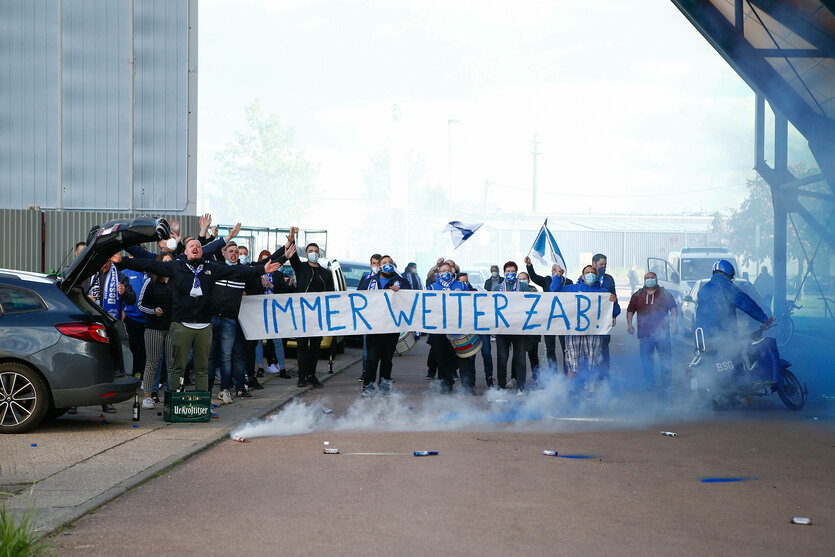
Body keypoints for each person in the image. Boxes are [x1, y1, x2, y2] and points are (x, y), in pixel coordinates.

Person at [118, 238, 282, 402]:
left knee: (202, 368)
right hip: (181, 324)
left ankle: (201, 404)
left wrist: (261, 269)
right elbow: (148, 264)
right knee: (177, 367)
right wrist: (124, 261)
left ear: (202, 251)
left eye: (198, 246)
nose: (195, 247)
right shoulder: (175, 266)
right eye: (191, 246)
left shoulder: (210, 268)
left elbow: (236, 271)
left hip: (204, 325)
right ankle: (174, 403)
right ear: (186, 251)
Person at [695, 260, 778, 383]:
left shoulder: (703, 289)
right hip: (723, 335)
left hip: (702, 338)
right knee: (739, 354)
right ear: (729, 273)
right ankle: (741, 386)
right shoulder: (727, 287)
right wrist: (764, 319)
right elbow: (747, 304)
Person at [79, 253, 136, 414]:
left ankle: (106, 401)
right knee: (84, 360)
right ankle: (75, 403)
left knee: (108, 363)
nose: (103, 264)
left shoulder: (120, 276)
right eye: (101, 261)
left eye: (106, 261)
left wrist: (124, 292)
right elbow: (73, 294)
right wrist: (85, 297)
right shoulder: (87, 276)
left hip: (109, 327)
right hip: (89, 324)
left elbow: (132, 299)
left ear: (110, 260)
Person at [553, 265, 620, 392]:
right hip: (573, 332)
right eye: (587, 273)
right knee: (572, 363)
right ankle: (572, 390)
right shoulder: (573, 289)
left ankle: (591, 389)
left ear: (596, 276)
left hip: (593, 333)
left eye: (592, 273)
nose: (590, 274)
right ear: (583, 276)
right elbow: (554, 291)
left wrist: (614, 301)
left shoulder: (604, 292)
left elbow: (614, 312)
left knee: (592, 362)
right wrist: (558, 276)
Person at [286, 227, 334, 388]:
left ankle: (311, 374)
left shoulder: (326, 273)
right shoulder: (301, 268)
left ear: (319, 254)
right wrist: (291, 240)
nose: (313, 253)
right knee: (301, 345)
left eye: (315, 251)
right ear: (306, 254)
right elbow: (292, 258)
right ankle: (301, 376)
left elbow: (331, 294)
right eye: (310, 251)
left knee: (315, 346)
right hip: (302, 313)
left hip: (318, 315)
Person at [206, 241, 251, 404]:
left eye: (236, 252)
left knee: (226, 357)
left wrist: (286, 248)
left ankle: (224, 389)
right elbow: (202, 253)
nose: (234, 254)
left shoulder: (241, 272)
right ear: (223, 253)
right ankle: (207, 390)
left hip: (229, 321)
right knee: (209, 356)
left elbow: (262, 266)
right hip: (212, 318)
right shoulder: (216, 269)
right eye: (230, 251)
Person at [358, 255, 408, 397]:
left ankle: (384, 388)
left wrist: (401, 292)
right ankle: (367, 387)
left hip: (392, 327)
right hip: (374, 326)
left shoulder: (401, 282)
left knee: (387, 358)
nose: (387, 265)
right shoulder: (369, 282)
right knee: (372, 358)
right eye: (384, 263)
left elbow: (411, 297)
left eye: (390, 263)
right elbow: (358, 299)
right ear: (379, 267)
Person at [426, 262, 475, 394]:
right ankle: (446, 385)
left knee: (464, 358)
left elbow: (471, 303)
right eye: (443, 271)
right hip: (440, 330)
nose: (446, 272)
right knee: (442, 359)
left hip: (459, 329)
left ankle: (468, 386)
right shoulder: (432, 287)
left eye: (448, 270)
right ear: (439, 273)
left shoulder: (462, 285)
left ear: (453, 272)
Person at [626, 271, 678, 390]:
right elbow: (630, 311)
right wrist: (630, 325)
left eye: (652, 277)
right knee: (646, 360)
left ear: (656, 279)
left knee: (665, 359)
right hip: (645, 335)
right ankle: (650, 383)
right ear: (644, 280)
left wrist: (675, 324)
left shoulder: (665, 294)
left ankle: (667, 383)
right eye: (647, 278)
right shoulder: (638, 295)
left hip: (663, 335)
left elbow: (673, 308)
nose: (650, 279)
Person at [136, 253, 174, 409]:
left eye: (170, 263)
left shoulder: (176, 283)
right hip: (153, 328)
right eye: (164, 262)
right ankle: (147, 396)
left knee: (172, 364)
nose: (167, 266)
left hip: (172, 327)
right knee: (152, 362)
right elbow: (140, 304)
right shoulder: (149, 283)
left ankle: (172, 396)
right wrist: (153, 311)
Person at [525, 256, 572, 375]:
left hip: (563, 320)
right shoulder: (547, 280)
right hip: (549, 320)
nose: (556, 272)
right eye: (554, 270)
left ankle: (568, 374)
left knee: (566, 349)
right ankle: (553, 374)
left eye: (559, 270)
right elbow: (534, 277)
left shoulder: (568, 282)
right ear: (551, 271)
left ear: (563, 272)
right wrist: (529, 266)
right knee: (550, 349)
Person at [492, 261, 528, 393]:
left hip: (519, 328)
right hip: (502, 329)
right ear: (504, 273)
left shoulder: (523, 287)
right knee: (502, 358)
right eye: (508, 272)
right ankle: (501, 386)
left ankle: (521, 386)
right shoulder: (497, 289)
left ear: (516, 273)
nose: (510, 274)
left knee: (520, 358)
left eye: (513, 272)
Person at [358, 253, 383, 381]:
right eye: (374, 263)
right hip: (368, 317)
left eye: (379, 263)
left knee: (383, 348)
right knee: (366, 346)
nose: (376, 266)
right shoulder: (365, 278)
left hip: (383, 318)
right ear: (370, 265)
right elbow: (358, 295)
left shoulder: (387, 279)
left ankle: (384, 375)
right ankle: (365, 372)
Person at [592, 253, 617, 379]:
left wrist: (614, 315)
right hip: (590, 322)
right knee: (590, 349)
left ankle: (604, 377)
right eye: (601, 264)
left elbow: (614, 299)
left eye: (605, 265)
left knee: (604, 349)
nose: (603, 267)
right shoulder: (584, 278)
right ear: (594, 264)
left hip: (604, 321)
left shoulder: (609, 279)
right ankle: (590, 377)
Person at [517, 272, 542, 386]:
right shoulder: (513, 291)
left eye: (524, 279)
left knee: (533, 355)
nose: (522, 281)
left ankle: (536, 378)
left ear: (529, 280)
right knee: (519, 356)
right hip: (518, 328)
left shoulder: (534, 291)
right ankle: (518, 379)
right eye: (520, 279)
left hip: (532, 329)